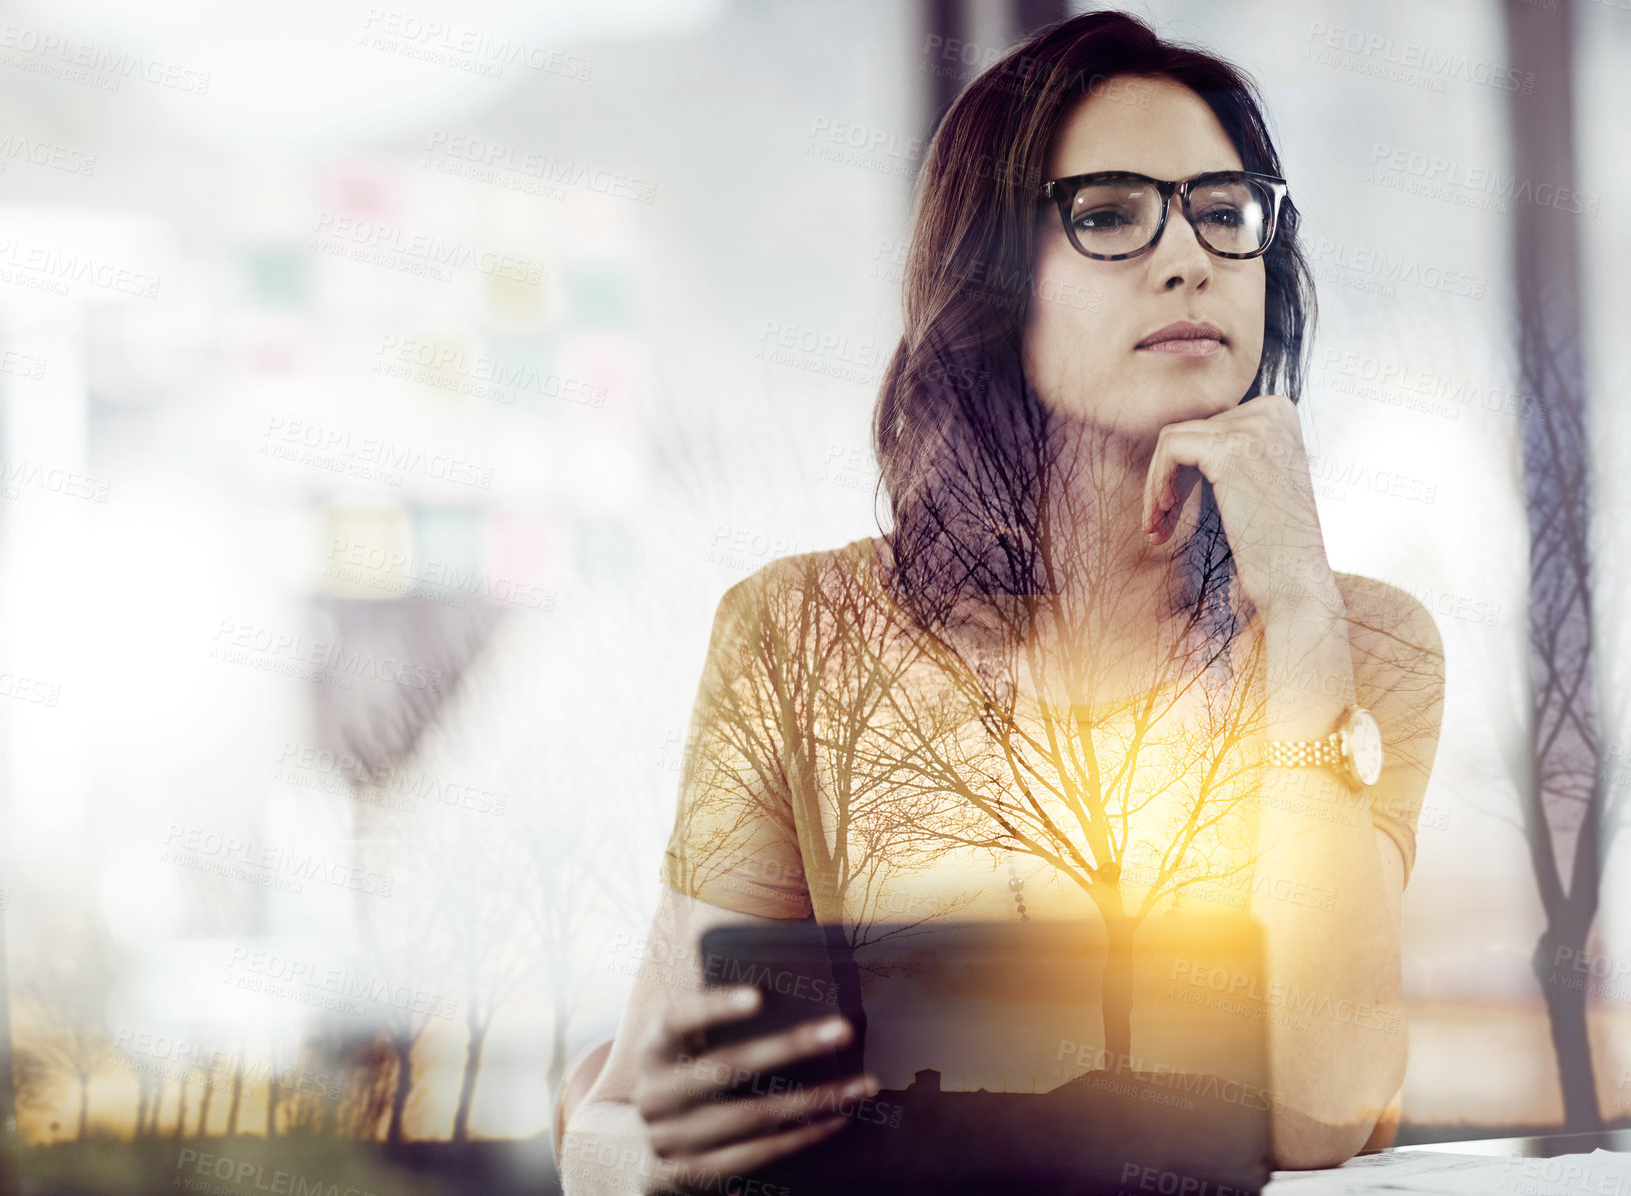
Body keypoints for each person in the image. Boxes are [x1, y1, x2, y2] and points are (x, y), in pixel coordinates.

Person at [560, 11, 1445, 1192]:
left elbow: (1323, 1104)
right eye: (1109, 214)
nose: (1186, 258)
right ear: (991, 276)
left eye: (1222, 212)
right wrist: (658, 1158)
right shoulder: (795, 636)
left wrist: (1294, 601)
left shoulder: (1364, 643)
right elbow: (611, 1127)